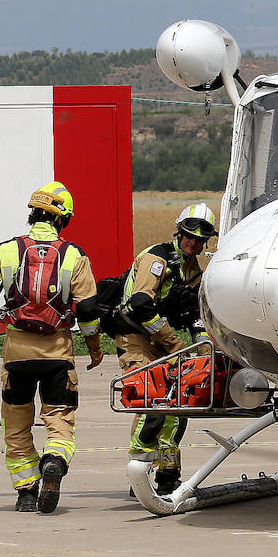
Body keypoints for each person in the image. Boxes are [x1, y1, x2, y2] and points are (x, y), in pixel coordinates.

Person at [0, 182, 100, 514]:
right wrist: (94, 348)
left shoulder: (5, 251)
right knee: (59, 421)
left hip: (16, 354)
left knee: (16, 425)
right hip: (58, 355)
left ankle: (25, 492)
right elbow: (89, 311)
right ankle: (53, 462)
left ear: (32, 213)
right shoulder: (75, 256)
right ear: (62, 219)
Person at [113, 202, 217, 496]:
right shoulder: (155, 259)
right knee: (151, 401)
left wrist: (203, 350)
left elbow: (195, 316)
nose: (194, 244)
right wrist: (174, 343)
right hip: (136, 337)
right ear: (179, 232)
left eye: (200, 241)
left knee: (178, 405)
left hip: (165, 341)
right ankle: (140, 475)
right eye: (189, 237)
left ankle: (168, 474)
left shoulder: (193, 270)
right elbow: (141, 305)